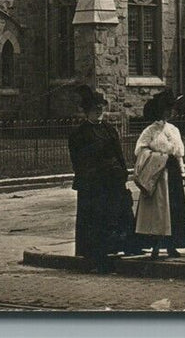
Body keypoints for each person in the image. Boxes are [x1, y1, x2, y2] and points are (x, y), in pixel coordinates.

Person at [67, 85, 134, 273]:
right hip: (93, 186)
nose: (99, 111)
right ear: (87, 111)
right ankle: (96, 259)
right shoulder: (79, 134)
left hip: (112, 182)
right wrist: (94, 175)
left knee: (115, 217)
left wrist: (122, 172)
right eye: (95, 108)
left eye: (101, 108)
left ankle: (116, 251)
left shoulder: (109, 130)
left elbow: (118, 153)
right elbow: (79, 161)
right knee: (95, 222)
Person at [133, 89, 185, 258]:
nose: (169, 112)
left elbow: (179, 153)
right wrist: (157, 158)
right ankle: (155, 246)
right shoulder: (150, 131)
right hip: (156, 176)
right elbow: (140, 151)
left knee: (173, 209)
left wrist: (183, 172)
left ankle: (172, 245)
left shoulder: (174, 130)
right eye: (166, 109)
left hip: (172, 174)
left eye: (170, 109)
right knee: (157, 212)